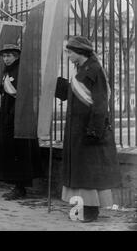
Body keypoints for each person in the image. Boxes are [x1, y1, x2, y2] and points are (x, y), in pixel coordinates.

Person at [55, 35, 121, 222]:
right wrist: (57, 84)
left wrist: (94, 130)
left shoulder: (93, 70)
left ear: (80, 52)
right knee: (81, 171)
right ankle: (82, 208)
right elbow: (75, 94)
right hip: (78, 129)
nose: (68, 55)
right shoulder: (83, 69)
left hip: (89, 130)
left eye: (70, 52)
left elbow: (100, 103)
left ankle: (91, 211)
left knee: (89, 173)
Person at [0, 44, 42, 200]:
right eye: (4, 56)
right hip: (8, 113)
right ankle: (16, 185)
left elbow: (23, 94)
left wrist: (13, 114)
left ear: (16, 56)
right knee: (11, 150)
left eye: (9, 56)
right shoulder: (7, 71)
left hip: (18, 115)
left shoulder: (22, 70)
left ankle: (20, 187)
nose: (6, 59)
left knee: (19, 151)